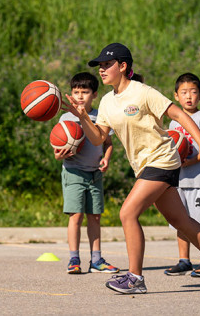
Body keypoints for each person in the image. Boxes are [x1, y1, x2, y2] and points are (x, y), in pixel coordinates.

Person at [62, 43, 200, 294]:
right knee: (180, 220)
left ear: (123, 67)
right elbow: (98, 138)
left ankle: (135, 278)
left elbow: (178, 115)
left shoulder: (142, 92)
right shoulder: (107, 102)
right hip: (145, 165)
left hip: (162, 159)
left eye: (106, 65)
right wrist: (81, 116)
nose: (101, 70)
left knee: (127, 213)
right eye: (99, 66)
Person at [54, 72, 119, 275]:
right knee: (76, 216)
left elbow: (108, 144)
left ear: (95, 95)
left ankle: (97, 259)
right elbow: (57, 150)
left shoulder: (101, 117)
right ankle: (74, 258)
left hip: (94, 174)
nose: (80, 96)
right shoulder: (66, 118)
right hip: (73, 172)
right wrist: (59, 156)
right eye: (76, 92)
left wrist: (106, 158)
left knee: (95, 217)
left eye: (85, 92)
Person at [164, 73, 200, 277]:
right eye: (184, 93)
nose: (188, 97)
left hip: (197, 181)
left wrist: (188, 162)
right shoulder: (173, 123)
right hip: (178, 181)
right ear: (176, 96)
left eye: (193, 92)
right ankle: (184, 260)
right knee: (180, 221)